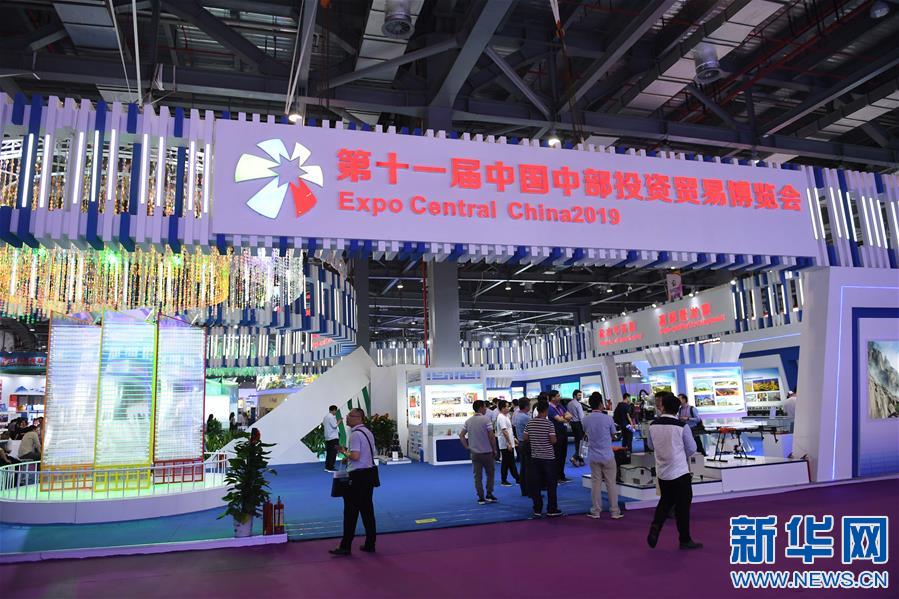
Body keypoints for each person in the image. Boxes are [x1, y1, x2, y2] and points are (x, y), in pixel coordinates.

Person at [646, 392, 702, 550]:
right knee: (682, 507)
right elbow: (692, 448)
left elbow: (650, 446)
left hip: (662, 471)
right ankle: (685, 539)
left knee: (665, 501)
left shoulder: (653, 425)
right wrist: (679, 454)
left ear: (663, 406)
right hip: (680, 471)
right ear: (677, 409)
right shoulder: (682, 426)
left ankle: (655, 526)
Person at [329, 408, 378, 556]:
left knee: (350, 512)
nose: (347, 417)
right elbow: (365, 454)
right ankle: (370, 543)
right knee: (367, 510)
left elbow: (356, 456)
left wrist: (343, 451)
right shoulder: (367, 432)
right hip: (369, 474)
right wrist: (348, 457)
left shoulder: (355, 435)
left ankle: (345, 546)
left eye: (350, 415)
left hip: (357, 477)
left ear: (358, 418)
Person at [582, 393, 622, 520]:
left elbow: (585, 433)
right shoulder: (608, 419)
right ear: (600, 404)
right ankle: (615, 511)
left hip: (594, 456)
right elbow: (614, 435)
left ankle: (596, 511)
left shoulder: (585, 419)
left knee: (596, 484)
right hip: (607, 455)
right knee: (611, 484)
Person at [524, 400, 561, 517]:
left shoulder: (530, 423)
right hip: (548, 457)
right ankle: (551, 509)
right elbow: (553, 440)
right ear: (546, 410)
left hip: (535, 457)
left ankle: (537, 509)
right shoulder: (549, 424)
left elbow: (525, 438)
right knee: (551, 484)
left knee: (536, 484)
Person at [459, 400, 498, 505]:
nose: (486, 409)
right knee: (490, 474)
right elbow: (491, 436)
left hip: (475, 453)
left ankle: (481, 497)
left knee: (477, 476)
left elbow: (461, 435)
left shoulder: (468, 421)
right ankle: (489, 494)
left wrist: (467, 447)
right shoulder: (486, 420)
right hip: (487, 452)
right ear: (481, 408)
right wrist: (494, 449)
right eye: (484, 407)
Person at [547, 390, 572, 482]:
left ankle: (562, 475)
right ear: (552, 398)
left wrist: (564, 418)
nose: (559, 397)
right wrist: (565, 418)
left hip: (563, 432)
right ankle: (556, 476)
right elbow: (559, 419)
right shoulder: (550, 408)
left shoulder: (560, 406)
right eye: (557, 396)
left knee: (563, 454)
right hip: (556, 433)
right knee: (557, 455)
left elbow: (569, 415)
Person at [495, 400, 519, 486]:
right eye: (506, 406)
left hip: (508, 442)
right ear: (502, 408)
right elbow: (504, 431)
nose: (508, 408)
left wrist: (513, 438)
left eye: (508, 406)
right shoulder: (501, 417)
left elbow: (509, 430)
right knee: (508, 462)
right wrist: (509, 443)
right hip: (505, 444)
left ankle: (515, 478)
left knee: (508, 462)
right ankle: (512, 479)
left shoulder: (506, 416)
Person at [511, 398, 531, 497]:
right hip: (526, 443)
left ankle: (525, 490)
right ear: (526, 406)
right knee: (529, 468)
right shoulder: (525, 417)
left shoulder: (518, 415)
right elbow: (532, 430)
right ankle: (530, 491)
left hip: (521, 443)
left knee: (524, 468)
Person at [567, 390, 586, 467]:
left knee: (577, 442)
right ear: (575, 396)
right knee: (583, 442)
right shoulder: (578, 404)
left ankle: (581, 460)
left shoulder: (569, 404)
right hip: (579, 424)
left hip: (573, 424)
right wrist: (585, 427)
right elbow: (582, 417)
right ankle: (574, 457)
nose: (580, 397)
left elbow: (568, 415)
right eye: (579, 395)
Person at [323, 405, 342, 472]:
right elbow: (334, 426)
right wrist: (339, 421)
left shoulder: (325, 417)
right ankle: (330, 467)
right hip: (333, 437)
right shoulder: (331, 417)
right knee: (333, 453)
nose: (336, 412)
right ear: (333, 410)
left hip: (328, 437)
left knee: (329, 453)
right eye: (336, 410)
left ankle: (327, 466)